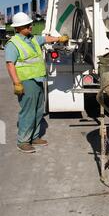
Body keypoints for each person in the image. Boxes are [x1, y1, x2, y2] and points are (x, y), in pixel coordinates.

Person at [5, 12, 69, 153]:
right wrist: (16, 83)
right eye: (27, 26)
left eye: (30, 24)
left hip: (38, 79)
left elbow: (46, 39)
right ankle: (23, 141)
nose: (30, 27)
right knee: (28, 112)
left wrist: (59, 38)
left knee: (39, 110)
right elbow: (10, 64)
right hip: (26, 81)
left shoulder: (33, 39)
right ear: (19, 28)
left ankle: (34, 137)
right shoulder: (13, 44)